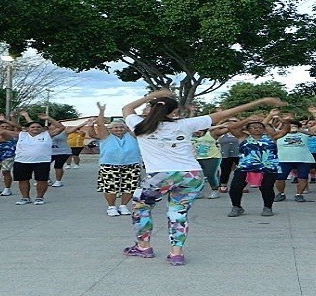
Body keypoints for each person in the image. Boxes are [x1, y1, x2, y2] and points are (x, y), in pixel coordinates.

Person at [119, 89, 285, 266]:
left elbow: (127, 108)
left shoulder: (139, 124)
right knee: (178, 212)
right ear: (174, 112)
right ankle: (176, 254)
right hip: (191, 174)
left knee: (141, 207)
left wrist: (153, 95)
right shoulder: (185, 124)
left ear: (151, 109)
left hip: (160, 175)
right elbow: (225, 113)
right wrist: (261, 101)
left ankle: (143, 246)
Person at [0, 113, 67, 205]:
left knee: (42, 180)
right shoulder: (21, 135)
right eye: (32, 127)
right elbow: (3, 130)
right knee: (23, 180)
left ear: (42, 128)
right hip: (22, 161)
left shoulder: (47, 134)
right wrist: (4, 120)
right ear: (27, 129)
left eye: (38, 127)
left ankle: (39, 197)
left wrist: (48, 118)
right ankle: (25, 198)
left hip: (42, 161)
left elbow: (61, 128)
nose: (35, 128)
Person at [227, 113, 289, 217]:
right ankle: (236, 207)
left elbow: (285, 130)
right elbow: (231, 127)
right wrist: (247, 119)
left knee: (267, 187)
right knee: (235, 187)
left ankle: (267, 207)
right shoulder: (243, 137)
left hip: (268, 167)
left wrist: (285, 120)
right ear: (248, 129)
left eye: (260, 127)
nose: (257, 129)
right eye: (253, 127)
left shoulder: (271, 137)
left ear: (264, 129)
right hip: (245, 167)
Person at [94, 103, 141, 217]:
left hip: (131, 164)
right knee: (111, 187)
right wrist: (101, 111)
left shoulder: (132, 136)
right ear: (110, 129)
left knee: (130, 186)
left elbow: (139, 125)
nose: (119, 129)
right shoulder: (106, 136)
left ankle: (123, 206)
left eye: (121, 127)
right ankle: (111, 207)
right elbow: (100, 124)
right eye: (116, 127)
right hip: (110, 165)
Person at [274, 107, 316, 203]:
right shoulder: (278, 134)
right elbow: (266, 126)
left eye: (295, 125)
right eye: (290, 125)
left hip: (304, 159)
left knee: (303, 177)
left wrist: (314, 113)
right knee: (279, 178)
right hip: (283, 160)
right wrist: (274, 116)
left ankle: (299, 194)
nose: (292, 126)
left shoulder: (304, 133)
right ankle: (280, 193)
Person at [192, 125, 226, 199]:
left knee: (210, 175)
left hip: (212, 157)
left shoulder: (210, 134)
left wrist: (222, 125)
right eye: (196, 130)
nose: (198, 132)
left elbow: (214, 129)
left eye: (200, 130)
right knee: (197, 176)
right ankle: (198, 192)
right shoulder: (190, 135)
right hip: (197, 158)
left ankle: (215, 190)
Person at [216, 118, 241, 194]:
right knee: (225, 170)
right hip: (225, 155)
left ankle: (242, 185)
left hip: (239, 154)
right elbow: (214, 130)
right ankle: (223, 185)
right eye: (230, 122)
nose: (233, 123)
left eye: (235, 121)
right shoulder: (221, 133)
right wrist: (223, 121)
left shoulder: (242, 132)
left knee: (242, 170)